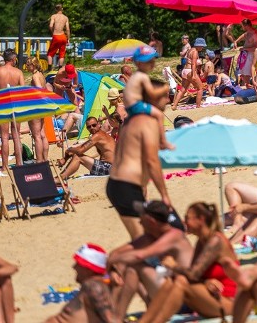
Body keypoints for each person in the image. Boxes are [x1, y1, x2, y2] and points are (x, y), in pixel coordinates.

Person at [139, 202, 239, 323]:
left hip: (230, 302)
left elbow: (192, 274)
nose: (184, 222)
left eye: (187, 218)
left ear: (200, 220)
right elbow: (193, 275)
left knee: (181, 281)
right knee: (172, 282)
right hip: (213, 297)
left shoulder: (215, 241)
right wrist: (205, 281)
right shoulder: (201, 242)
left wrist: (174, 265)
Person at [107, 201, 193, 321]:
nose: (139, 222)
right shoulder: (151, 236)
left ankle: (116, 317)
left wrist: (114, 261)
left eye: (141, 218)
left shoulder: (174, 235)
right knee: (125, 267)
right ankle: (114, 315)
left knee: (133, 266)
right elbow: (114, 254)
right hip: (169, 293)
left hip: (186, 300)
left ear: (151, 221)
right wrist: (113, 269)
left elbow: (139, 256)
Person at [106, 87, 172, 239]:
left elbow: (119, 126)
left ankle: (143, 200)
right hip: (126, 181)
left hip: (120, 178)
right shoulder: (133, 116)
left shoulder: (126, 116)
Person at [45, 243, 115, 323]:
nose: (74, 267)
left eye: (78, 264)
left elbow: (111, 320)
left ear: (88, 269)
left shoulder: (94, 286)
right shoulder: (92, 287)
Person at [124, 46, 173, 150]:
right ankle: (163, 141)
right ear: (138, 63)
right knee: (159, 115)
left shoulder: (136, 75)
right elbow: (152, 94)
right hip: (135, 105)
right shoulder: (143, 76)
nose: (152, 64)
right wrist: (165, 88)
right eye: (148, 61)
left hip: (130, 106)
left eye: (153, 61)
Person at [0, 49, 26, 170]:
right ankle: (19, 163)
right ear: (13, 59)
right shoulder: (18, 72)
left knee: (4, 137)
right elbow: (23, 90)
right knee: (16, 135)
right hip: (16, 105)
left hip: (2, 105)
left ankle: (5, 166)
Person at [24, 56, 49, 161]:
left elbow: (39, 91)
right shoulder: (41, 75)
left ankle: (39, 160)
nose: (26, 67)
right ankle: (45, 159)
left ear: (33, 65)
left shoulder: (35, 76)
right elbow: (45, 89)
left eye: (28, 65)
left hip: (36, 106)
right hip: (42, 106)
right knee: (42, 134)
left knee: (37, 136)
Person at [172, 38, 205, 110]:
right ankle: (198, 106)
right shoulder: (195, 52)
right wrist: (193, 74)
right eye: (202, 46)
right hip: (190, 70)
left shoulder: (190, 50)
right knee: (200, 88)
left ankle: (174, 105)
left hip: (185, 70)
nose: (202, 48)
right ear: (198, 45)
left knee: (183, 89)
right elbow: (193, 64)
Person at [233, 20, 257, 87]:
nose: (241, 27)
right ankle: (247, 85)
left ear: (246, 25)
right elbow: (243, 35)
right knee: (244, 73)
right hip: (246, 55)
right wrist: (236, 41)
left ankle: (250, 85)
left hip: (251, 55)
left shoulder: (255, 34)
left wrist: (245, 49)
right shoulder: (248, 32)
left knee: (247, 73)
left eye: (242, 25)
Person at [47, 3, 71, 71]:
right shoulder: (65, 18)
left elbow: (51, 25)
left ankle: (49, 68)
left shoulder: (53, 16)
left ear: (55, 9)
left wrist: (52, 32)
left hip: (56, 35)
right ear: (62, 9)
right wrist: (68, 39)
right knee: (62, 53)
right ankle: (60, 68)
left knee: (50, 53)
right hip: (63, 36)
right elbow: (68, 29)